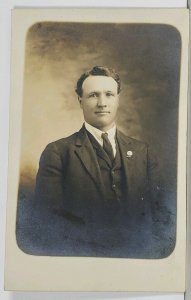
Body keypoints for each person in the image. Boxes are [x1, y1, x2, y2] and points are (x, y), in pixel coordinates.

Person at [34, 66, 159, 257]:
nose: (102, 103)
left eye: (109, 94)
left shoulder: (143, 151)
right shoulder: (58, 152)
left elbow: (159, 214)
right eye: (93, 95)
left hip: (137, 255)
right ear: (80, 100)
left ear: (118, 99)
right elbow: (47, 220)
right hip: (81, 256)